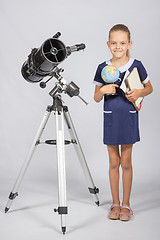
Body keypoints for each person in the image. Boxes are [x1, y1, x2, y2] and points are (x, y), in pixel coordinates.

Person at [93, 24, 153, 221]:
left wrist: (139, 92)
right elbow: (95, 97)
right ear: (108, 44)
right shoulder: (103, 67)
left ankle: (126, 205)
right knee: (113, 162)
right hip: (111, 118)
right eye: (114, 43)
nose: (117, 47)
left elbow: (149, 88)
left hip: (128, 117)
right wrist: (102, 90)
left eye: (122, 43)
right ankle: (115, 203)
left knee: (126, 162)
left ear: (129, 44)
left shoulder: (137, 65)